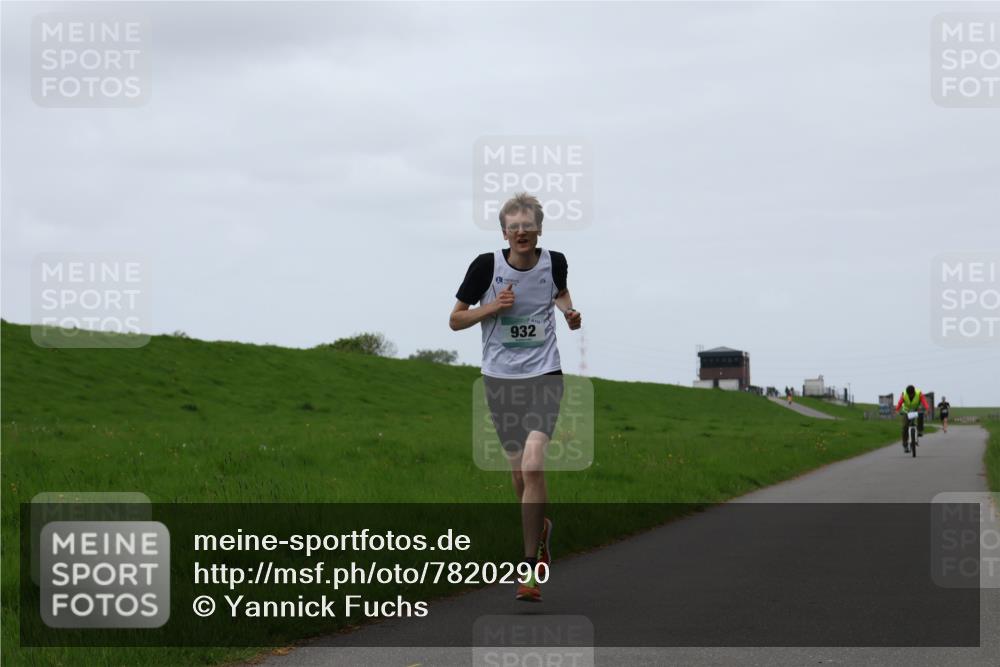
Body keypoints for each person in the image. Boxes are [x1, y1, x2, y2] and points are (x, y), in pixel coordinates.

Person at [449, 192, 582, 602]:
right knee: (520, 477)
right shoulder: (485, 266)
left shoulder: (555, 260)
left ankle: (529, 567)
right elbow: (455, 320)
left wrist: (569, 311)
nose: (521, 232)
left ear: (539, 229)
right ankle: (540, 527)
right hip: (500, 380)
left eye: (528, 226)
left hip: (545, 375)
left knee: (534, 461)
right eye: (514, 227)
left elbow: (558, 291)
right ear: (504, 232)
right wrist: (491, 308)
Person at [895, 385, 930, 453]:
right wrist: (897, 410)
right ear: (907, 393)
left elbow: (924, 402)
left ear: (914, 392)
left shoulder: (919, 393)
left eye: (912, 394)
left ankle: (920, 430)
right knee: (905, 426)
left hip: (916, 410)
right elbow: (900, 403)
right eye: (909, 394)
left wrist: (927, 409)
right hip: (906, 411)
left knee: (921, 415)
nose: (911, 395)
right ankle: (905, 445)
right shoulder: (904, 394)